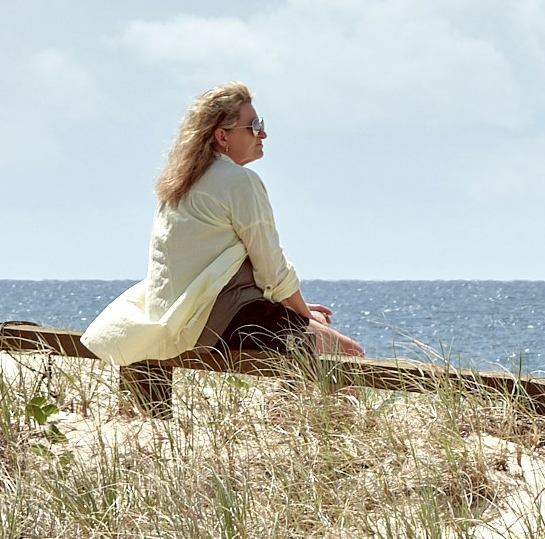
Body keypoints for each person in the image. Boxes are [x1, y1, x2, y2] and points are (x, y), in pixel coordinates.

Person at [82, 81, 365, 404]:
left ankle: (286, 417)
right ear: (222, 136)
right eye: (255, 126)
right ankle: (294, 430)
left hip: (180, 319)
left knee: (302, 347)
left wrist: (293, 310)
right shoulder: (239, 182)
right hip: (222, 320)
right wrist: (302, 314)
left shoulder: (180, 184)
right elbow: (272, 266)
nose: (263, 134)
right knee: (347, 354)